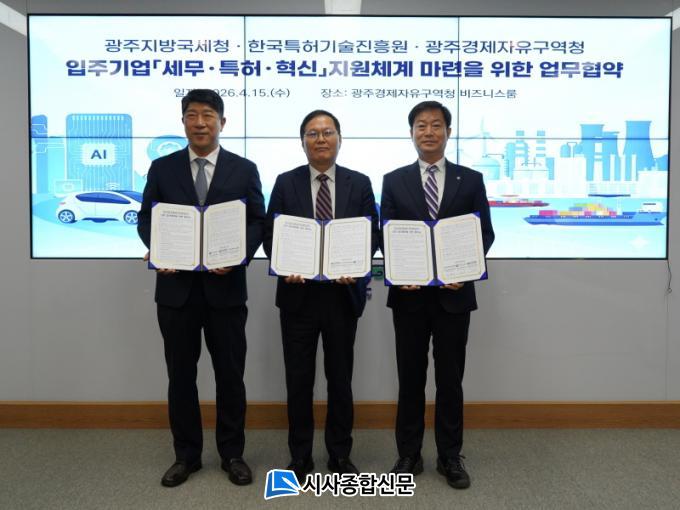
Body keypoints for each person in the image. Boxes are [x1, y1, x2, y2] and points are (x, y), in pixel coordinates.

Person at [137, 89, 265, 488]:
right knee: (180, 377)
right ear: (183, 122)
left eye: (208, 115)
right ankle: (186, 456)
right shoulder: (162, 168)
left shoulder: (244, 169)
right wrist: (158, 248)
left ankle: (232, 454)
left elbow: (257, 221)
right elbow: (146, 219)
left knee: (231, 376)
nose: (200, 123)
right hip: (176, 292)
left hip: (226, 291)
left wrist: (238, 255)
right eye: (192, 115)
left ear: (222, 122)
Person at [380, 101, 494, 489]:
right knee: (410, 378)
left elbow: (485, 233)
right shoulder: (394, 180)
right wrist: (398, 271)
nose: (428, 132)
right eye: (421, 125)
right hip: (409, 297)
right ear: (411, 132)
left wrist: (464, 270)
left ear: (448, 131)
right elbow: (385, 234)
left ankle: (449, 456)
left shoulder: (471, 179)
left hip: (454, 297)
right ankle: (408, 454)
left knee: (450, 380)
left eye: (436, 125)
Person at [263, 110, 379, 481]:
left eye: (327, 132)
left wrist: (356, 264)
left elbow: (372, 234)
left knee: (340, 380)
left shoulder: (360, 183)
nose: (321, 139)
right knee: (298, 380)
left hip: (342, 296)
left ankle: (340, 455)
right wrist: (284, 263)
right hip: (298, 296)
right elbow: (270, 235)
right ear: (303, 142)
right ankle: (300, 456)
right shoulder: (285, 182)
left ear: (339, 139)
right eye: (312, 133)